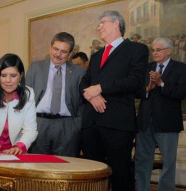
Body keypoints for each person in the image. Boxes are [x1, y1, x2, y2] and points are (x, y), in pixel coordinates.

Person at [79, 10, 149, 191]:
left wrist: (101, 88)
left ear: (116, 23)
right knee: (93, 174)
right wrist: (92, 95)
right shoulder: (95, 56)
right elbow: (84, 84)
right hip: (91, 123)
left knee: (120, 173)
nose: (98, 27)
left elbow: (135, 81)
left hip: (117, 124)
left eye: (102, 22)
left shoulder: (136, 49)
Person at [135, 37, 186, 191]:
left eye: (158, 50)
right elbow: (137, 92)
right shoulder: (147, 67)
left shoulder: (181, 68)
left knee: (168, 162)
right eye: (153, 50)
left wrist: (161, 83)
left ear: (169, 51)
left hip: (167, 123)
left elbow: (181, 93)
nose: (154, 53)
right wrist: (147, 89)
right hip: (145, 122)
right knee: (142, 160)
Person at [26, 32, 85, 157]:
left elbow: (83, 102)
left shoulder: (79, 72)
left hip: (67, 127)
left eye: (63, 51)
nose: (58, 54)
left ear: (70, 54)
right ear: (50, 48)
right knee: (37, 168)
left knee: (65, 168)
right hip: (39, 125)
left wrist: (76, 126)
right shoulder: (35, 68)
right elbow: (25, 98)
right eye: (55, 49)